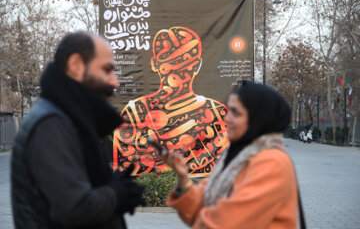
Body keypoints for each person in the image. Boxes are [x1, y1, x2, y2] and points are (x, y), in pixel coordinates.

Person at [11, 32, 144, 229]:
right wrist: (116, 195)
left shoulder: (67, 118)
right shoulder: (52, 124)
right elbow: (73, 208)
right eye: (107, 70)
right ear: (76, 65)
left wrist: (110, 184)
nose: (115, 82)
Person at [160, 80, 301, 228]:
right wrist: (183, 179)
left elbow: (226, 224)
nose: (226, 118)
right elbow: (198, 208)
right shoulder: (236, 156)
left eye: (236, 113)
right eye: (228, 111)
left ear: (257, 119)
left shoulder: (272, 162)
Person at [113, 27, 228, 177]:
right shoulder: (218, 113)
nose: (177, 70)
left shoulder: (134, 113)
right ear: (198, 65)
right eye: (172, 62)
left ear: (155, 64)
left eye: (183, 61)